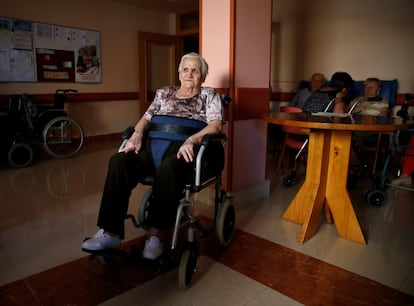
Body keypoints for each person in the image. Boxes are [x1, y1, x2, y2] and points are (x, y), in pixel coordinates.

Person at [81, 52, 224, 260]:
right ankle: (110, 232)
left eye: (195, 70)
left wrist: (192, 140)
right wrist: (137, 134)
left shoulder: (209, 95)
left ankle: (155, 236)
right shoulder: (164, 92)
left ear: (202, 76)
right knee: (119, 161)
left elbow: (215, 125)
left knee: (169, 169)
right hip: (151, 145)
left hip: (183, 147)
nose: (190, 74)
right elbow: (146, 118)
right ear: (179, 73)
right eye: (186, 69)